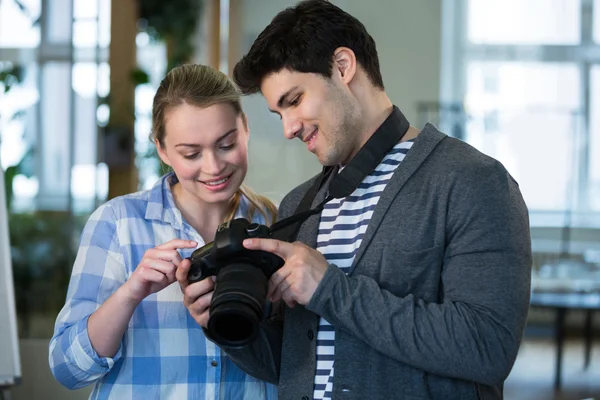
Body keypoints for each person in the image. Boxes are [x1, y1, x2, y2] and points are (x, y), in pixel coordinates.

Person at [177, 1, 533, 399]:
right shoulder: (300, 204)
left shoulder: (473, 182)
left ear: (343, 66)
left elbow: (487, 348)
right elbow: (293, 365)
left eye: (293, 101)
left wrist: (330, 288)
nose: (289, 129)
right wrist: (227, 326)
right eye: (279, 114)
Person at [49, 64, 279, 400]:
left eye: (226, 144)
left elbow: (298, 359)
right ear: (161, 149)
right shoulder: (116, 223)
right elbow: (68, 369)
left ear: (245, 127)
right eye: (191, 153)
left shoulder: (276, 223)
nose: (214, 167)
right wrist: (130, 293)